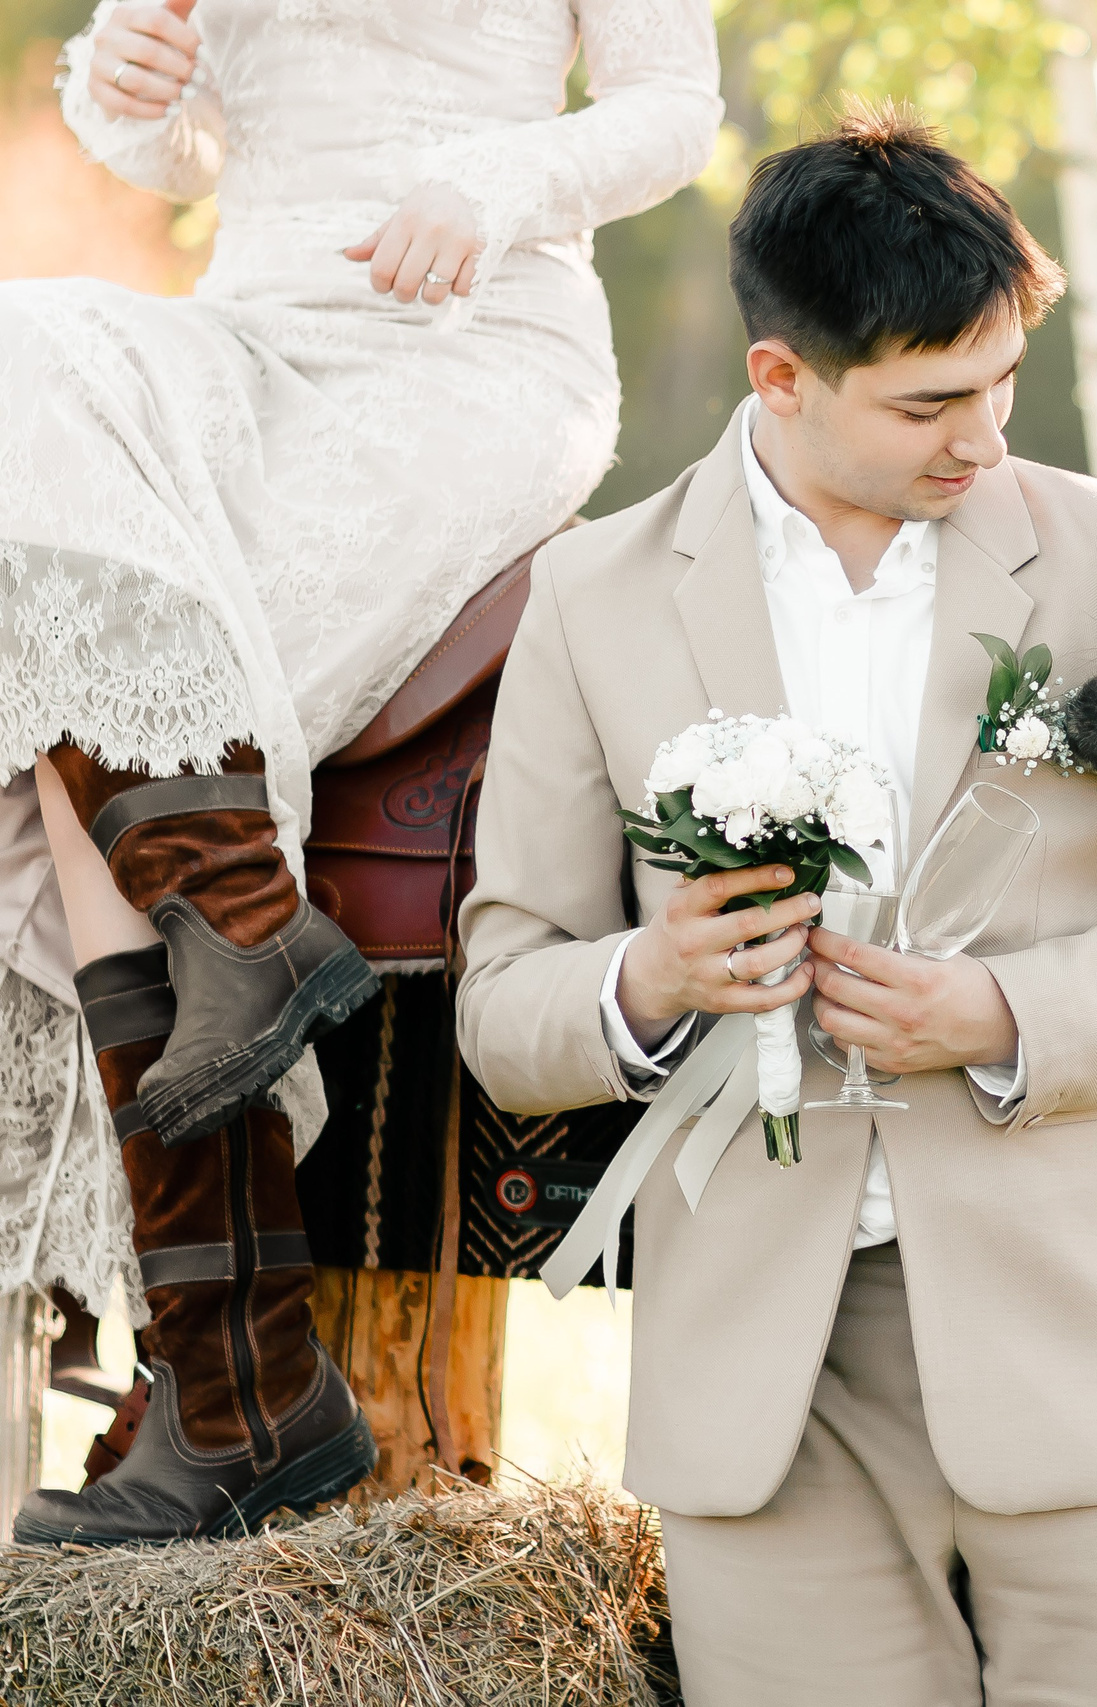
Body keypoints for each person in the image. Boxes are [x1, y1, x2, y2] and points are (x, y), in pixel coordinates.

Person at [456, 110, 1097, 1703]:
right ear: (778, 378)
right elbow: (504, 998)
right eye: (931, 402)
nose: (985, 439)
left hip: (1094, 1343)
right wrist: (649, 979)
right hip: (761, 1398)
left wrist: (1006, 1015)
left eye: (1003, 383)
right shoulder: (589, 600)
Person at [2, 0, 722, 1544]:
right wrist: (132, 93)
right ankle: (250, 951)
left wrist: (498, 187)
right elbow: (200, 142)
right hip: (243, 341)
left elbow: (674, 110)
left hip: (466, 365)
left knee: (89, 751)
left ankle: (233, 1399)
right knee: (23, 382)